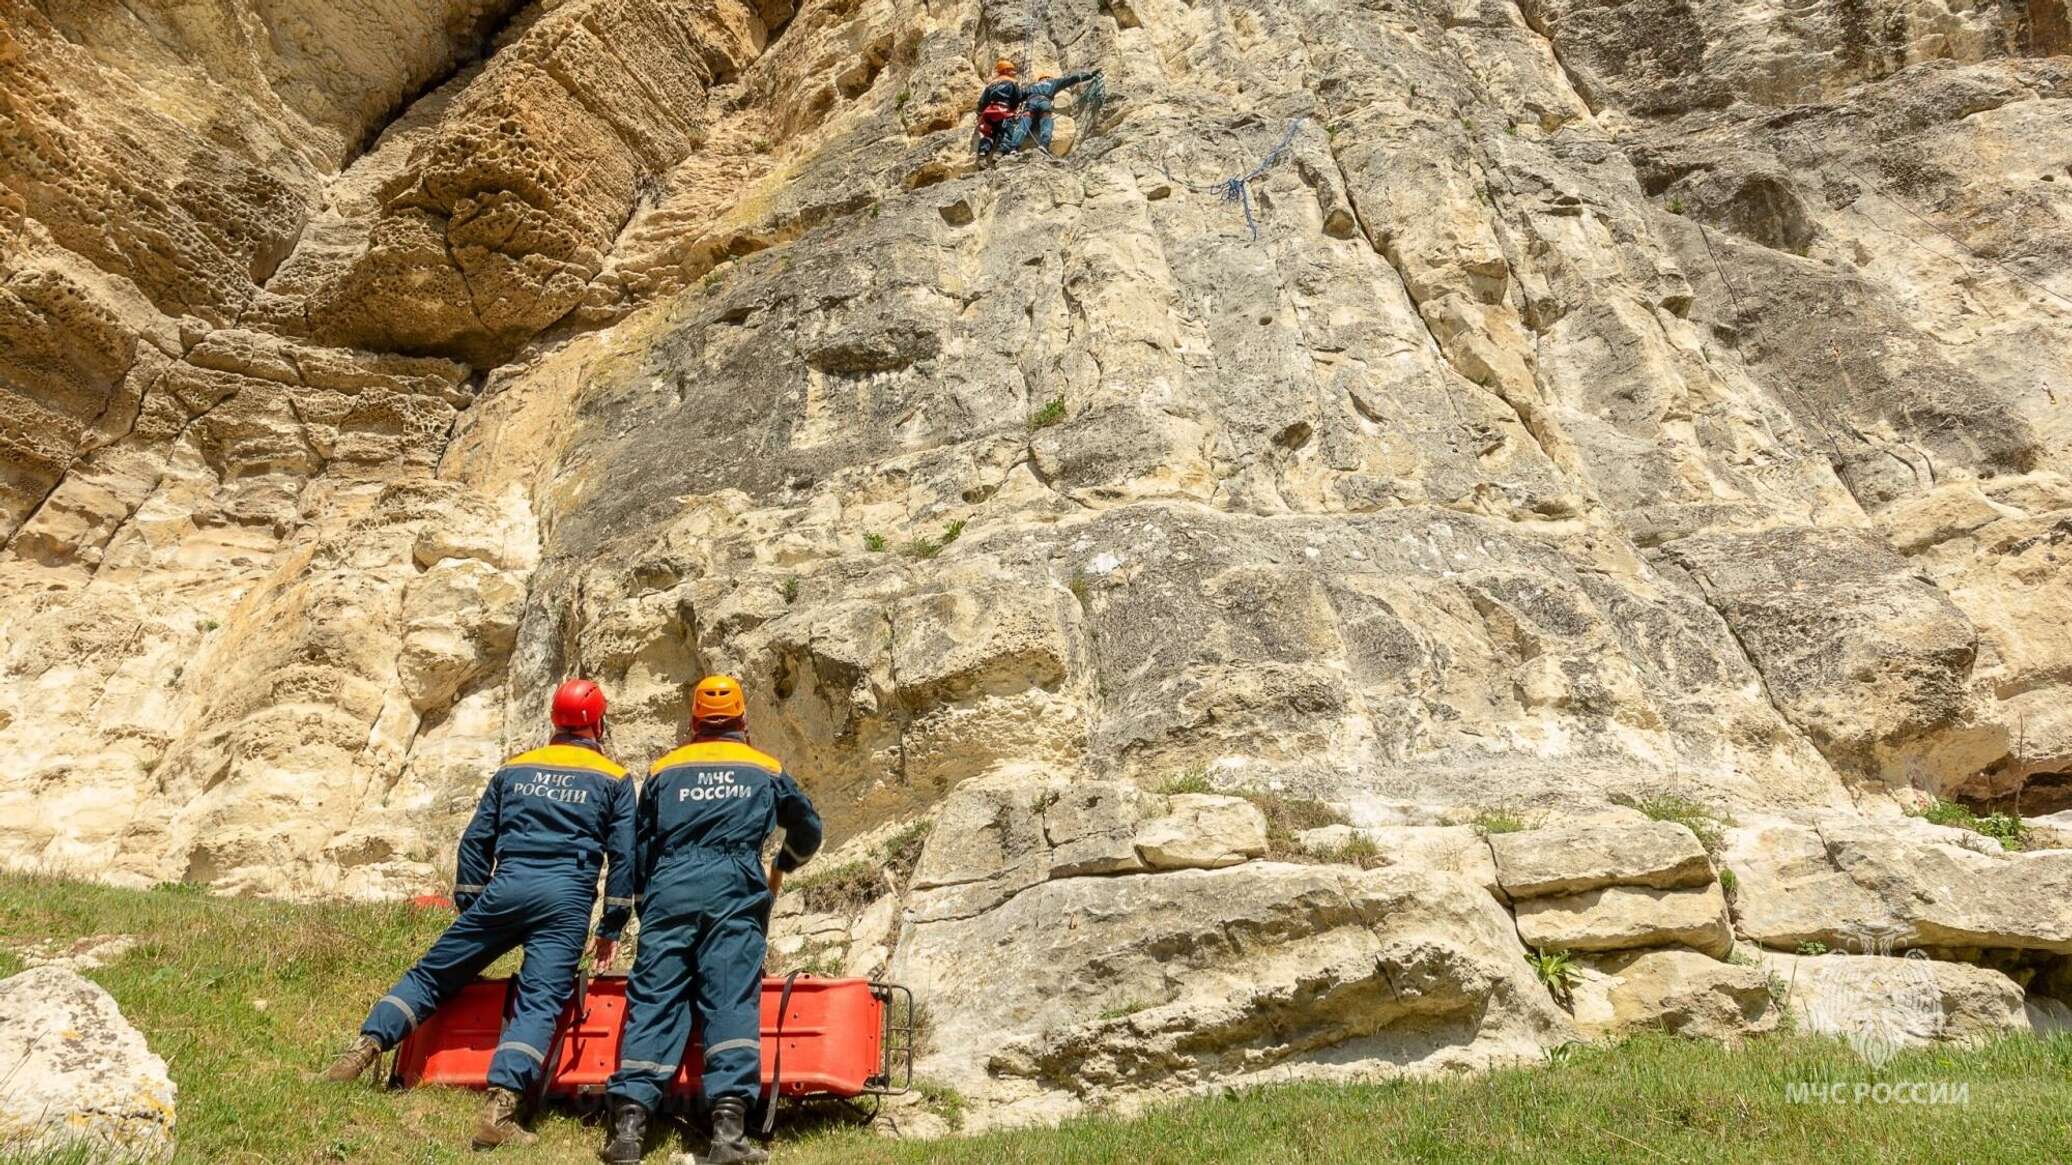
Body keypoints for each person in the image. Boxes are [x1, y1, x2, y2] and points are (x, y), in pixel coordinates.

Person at [323, 679, 636, 1151]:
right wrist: (611, 926)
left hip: (507, 886)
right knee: (539, 1002)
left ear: (554, 720)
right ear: (598, 722)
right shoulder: (613, 778)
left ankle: (359, 1053)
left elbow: (474, 841)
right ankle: (499, 1112)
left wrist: (474, 907)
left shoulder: (515, 769)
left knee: (432, 975)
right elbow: (624, 858)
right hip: (565, 899)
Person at [599, 676, 823, 1165]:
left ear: (693, 721)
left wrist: (644, 905)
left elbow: (639, 847)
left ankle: (629, 1131)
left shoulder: (663, 769)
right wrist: (782, 864)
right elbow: (809, 828)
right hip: (734, 886)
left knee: (655, 997)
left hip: (670, 890)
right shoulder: (765, 768)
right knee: (729, 997)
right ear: (743, 720)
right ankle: (727, 1134)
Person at [1006, 68, 1102, 154]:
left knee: (1024, 122)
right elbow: (1071, 79)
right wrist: (1090, 75)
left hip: (1032, 102)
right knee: (1046, 120)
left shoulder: (1032, 85)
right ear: (1049, 77)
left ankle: (1014, 148)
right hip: (1044, 102)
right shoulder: (1053, 82)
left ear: (1040, 79)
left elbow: (1019, 96)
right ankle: (1044, 145)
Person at [974, 57, 1024, 161]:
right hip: (1004, 110)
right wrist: (1015, 109)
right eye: (1011, 70)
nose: (1013, 72)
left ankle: (983, 153)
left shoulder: (991, 84)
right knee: (1006, 131)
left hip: (989, 111)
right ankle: (1000, 152)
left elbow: (983, 101)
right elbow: (1016, 99)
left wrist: (979, 114)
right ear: (1005, 70)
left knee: (988, 133)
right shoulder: (1012, 82)